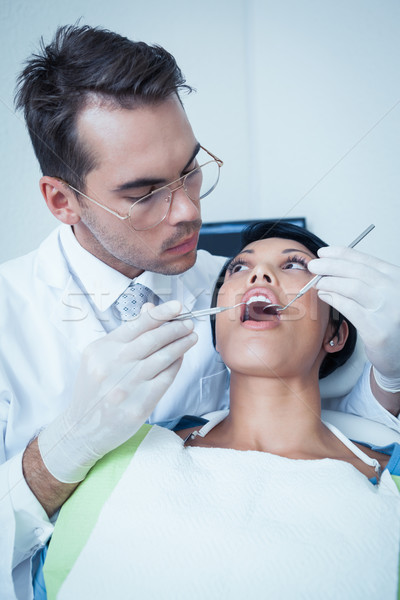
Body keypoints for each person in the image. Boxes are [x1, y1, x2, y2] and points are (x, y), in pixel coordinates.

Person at [0, 23, 399, 599]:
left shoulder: (223, 285)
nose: (189, 211)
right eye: (145, 194)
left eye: (191, 169)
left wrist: (391, 374)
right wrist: (60, 451)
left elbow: (335, 416)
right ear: (62, 201)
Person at [42, 222, 400, 600]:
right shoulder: (124, 452)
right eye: (238, 268)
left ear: (336, 334)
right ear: (218, 324)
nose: (258, 274)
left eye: (294, 265)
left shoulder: (387, 482)